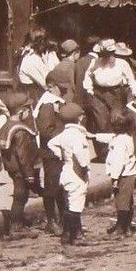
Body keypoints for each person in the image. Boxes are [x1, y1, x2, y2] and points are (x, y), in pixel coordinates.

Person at [47, 102, 95, 246]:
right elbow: (80, 153)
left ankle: (67, 233)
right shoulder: (77, 135)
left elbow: (51, 144)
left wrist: (60, 155)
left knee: (69, 202)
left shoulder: (64, 134)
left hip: (66, 169)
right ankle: (73, 235)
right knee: (76, 204)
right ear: (79, 118)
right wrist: (85, 166)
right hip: (77, 173)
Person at [0, 90, 41, 230]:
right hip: (21, 170)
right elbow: (23, 155)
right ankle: (16, 225)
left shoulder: (6, 126)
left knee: (21, 194)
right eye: (27, 109)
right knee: (20, 196)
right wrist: (29, 174)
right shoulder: (20, 131)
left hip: (12, 168)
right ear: (21, 111)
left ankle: (18, 219)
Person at [97, 110, 136, 237]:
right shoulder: (126, 137)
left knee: (121, 202)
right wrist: (93, 136)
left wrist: (114, 178)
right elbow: (109, 138)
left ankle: (121, 227)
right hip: (129, 174)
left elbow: (118, 162)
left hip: (122, 175)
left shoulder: (119, 142)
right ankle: (128, 226)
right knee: (127, 201)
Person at [32, 83, 66, 235]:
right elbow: (45, 131)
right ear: (52, 87)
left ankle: (62, 219)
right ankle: (51, 220)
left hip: (59, 151)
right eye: (62, 89)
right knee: (52, 186)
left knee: (60, 185)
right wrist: (65, 134)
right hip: (50, 152)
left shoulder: (57, 102)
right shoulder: (47, 105)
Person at [45, 39, 80, 103]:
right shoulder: (73, 66)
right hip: (70, 100)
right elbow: (74, 87)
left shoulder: (58, 65)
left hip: (60, 99)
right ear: (75, 52)